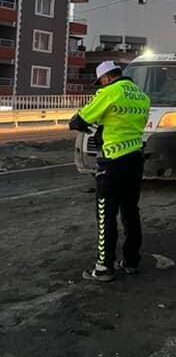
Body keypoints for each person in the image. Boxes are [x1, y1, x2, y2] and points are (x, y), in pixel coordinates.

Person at [69, 60, 151, 282]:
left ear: (106, 78)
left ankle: (104, 267)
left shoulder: (109, 92)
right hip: (135, 159)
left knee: (106, 215)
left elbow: (79, 120)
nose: (100, 85)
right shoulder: (141, 96)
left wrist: (83, 123)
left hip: (112, 161)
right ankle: (131, 261)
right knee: (130, 211)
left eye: (100, 82)